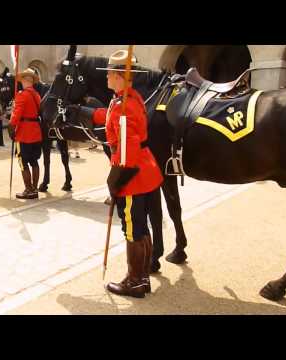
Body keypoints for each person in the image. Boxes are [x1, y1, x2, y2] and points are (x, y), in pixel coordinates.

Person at [90, 49, 164, 298]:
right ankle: (142, 277)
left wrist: (115, 181)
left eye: (110, 73)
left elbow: (128, 150)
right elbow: (117, 120)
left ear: (121, 76)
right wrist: (92, 115)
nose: (107, 77)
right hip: (145, 169)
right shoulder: (128, 99)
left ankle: (135, 281)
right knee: (141, 227)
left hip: (132, 176)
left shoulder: (124, 106)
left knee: (132, 229)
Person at [9, 68, 43, 200]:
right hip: (36, 131)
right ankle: (34, 188)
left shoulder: (22, 95)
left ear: (24, 80)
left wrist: (11, 127)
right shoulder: (37, 95)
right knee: (34, 161)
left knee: (23, 162)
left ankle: (29, 190)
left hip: (24, 133)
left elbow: (16, 115)